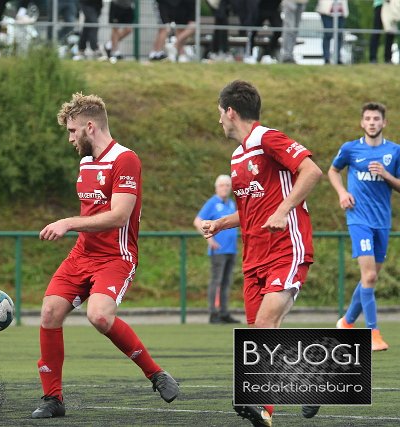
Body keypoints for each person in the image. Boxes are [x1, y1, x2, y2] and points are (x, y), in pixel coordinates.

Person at [31, 93, 179, 419]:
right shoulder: (86, 161)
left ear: (90, 127)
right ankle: (53, 398)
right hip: (82, 254)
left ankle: (155, 374)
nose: (70, 138)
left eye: (72, 131)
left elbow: (119, 216)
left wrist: (68, 222)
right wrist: (76, 229)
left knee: (99, 316)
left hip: (115, 257)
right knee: (49, 312)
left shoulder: (126, 160)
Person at [201, 80, 323, 425]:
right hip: (253, 257)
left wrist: (284, 210)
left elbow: (312, 171)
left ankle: (267, 399)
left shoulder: (267, 138)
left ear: (230, 112)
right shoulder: (237, 157)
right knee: (261, 335)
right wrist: (222, 222)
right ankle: (287, 397)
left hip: (286, 248)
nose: (219, 121)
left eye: (219, 113)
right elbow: (252, 210)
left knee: (266, 325)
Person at [328, 102, 400, 352]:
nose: (372, 122)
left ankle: (347, 323)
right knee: (369, 276)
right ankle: (373, 333)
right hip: (359, 219)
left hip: (382, 222)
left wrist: (386, 175)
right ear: (362, 122)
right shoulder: (350, 148)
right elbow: (333, 171)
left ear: (384, 123)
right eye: (368, 118)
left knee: (370, 278)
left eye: (376, 119)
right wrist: (342, 193)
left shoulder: (394, 151)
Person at [194, 174, 239, 324]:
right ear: (216, 188)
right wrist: (210, 239)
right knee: (216, 281)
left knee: (227, 282)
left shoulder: (231, 203)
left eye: (227, 185)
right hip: (218, 249)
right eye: (222, 185)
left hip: (231, 249)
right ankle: (213, 313)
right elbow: (198, 221)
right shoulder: (212, 202)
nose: (224, 188)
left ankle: (224, 312)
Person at [316, 0, 348, 64]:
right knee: (328, 35)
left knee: (339, 36)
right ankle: (326, 59)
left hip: (340, 13)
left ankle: (338, 58)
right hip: (326, 12)